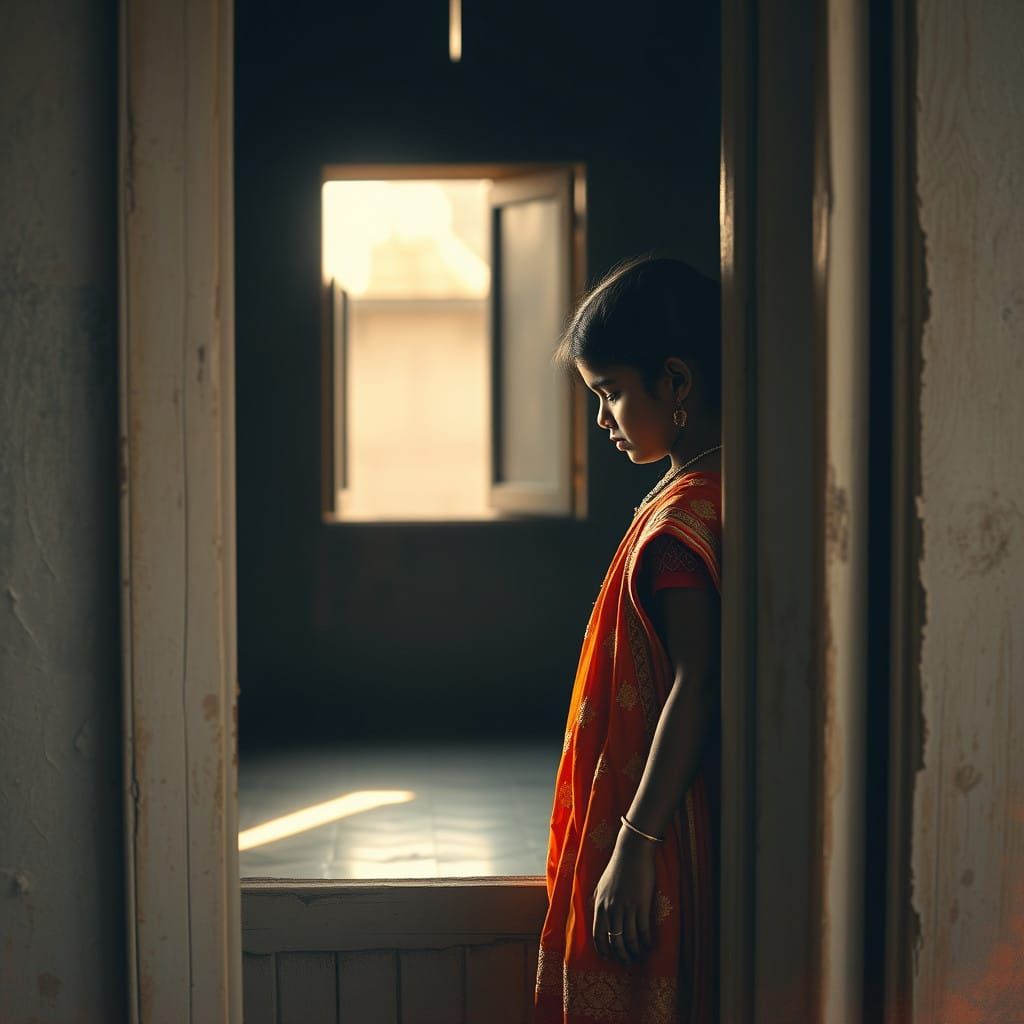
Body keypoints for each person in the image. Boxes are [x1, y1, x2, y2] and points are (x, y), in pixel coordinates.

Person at [534, 255, 722, 1024]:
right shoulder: (716, 490)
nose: (603, 420)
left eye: (610, 392)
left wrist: (635, 841)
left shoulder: (684, 523)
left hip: (664, 820)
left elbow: (696, 683)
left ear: (675, 382)